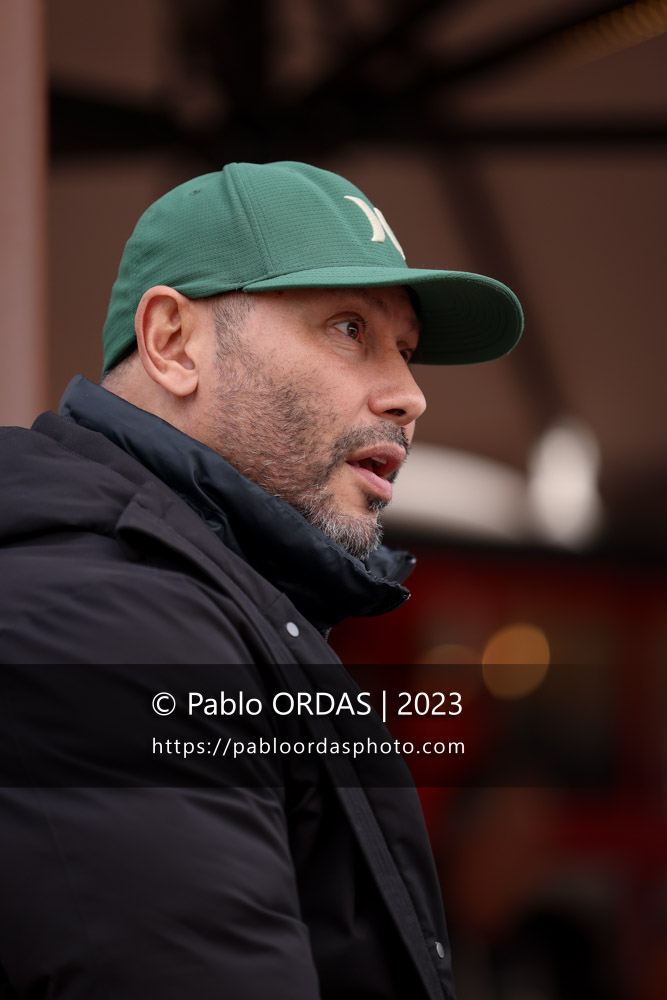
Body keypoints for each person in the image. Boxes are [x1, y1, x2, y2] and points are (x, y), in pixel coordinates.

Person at [0, 161, 522, 998]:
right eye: (349, 328)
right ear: (173, 343)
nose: (409, 395)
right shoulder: (105, 616)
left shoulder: (197, 599)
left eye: (406, 350)